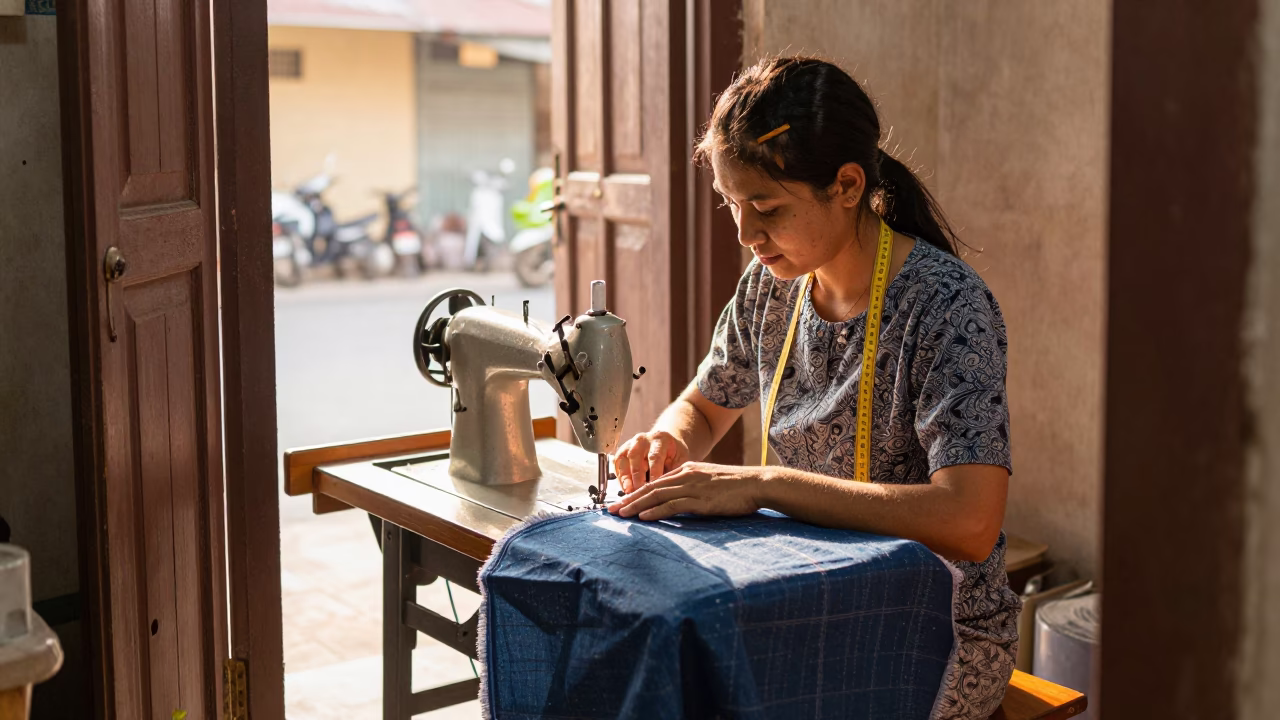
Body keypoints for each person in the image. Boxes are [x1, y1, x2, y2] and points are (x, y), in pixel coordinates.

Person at [607, 56, 1021, 719]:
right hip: (808, 590)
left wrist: (764, 485)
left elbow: (969, 522)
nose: (745, 235)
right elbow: (704, 406)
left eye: (765, 208)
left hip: (935, 627)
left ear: (847, 185)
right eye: (731, 204)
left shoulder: (945, 306)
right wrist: (668, 441)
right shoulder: (770, 288)